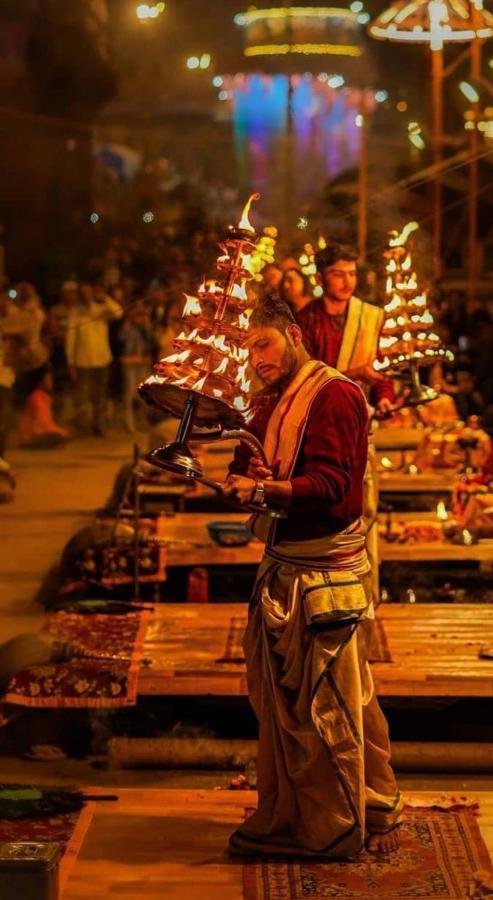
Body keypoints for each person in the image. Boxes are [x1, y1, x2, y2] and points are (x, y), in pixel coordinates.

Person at [223, 299, 403, 859]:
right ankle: (373, 799)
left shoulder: (336, 395)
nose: (256, 360)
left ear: (294, 335)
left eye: (263, 344)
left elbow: (330, 484)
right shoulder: (270, 398)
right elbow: (244, 455)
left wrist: (265, 491)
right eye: (246, 350)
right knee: (316, 702)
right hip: (289, 562)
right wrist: (246, 473)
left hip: (324, 574)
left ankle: (332, 824)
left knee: (326, 708)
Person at [297, 243, 394, 416]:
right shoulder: (305, 320)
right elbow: (306, 380)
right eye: (338, 274)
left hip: (362, 412)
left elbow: (382, 368)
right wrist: (353, 374)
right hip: (321, 414)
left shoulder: (369, 316)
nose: (347, 282)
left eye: (352, 274)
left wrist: (384, 398)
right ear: (319, 278)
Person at [65, 283, 122, 436]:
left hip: (102, 358)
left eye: (88, 293)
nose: (86, 296)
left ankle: (99, 427)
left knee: (100, 396)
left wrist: (105, 297)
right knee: (82, 397)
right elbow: (70, 339)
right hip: (82, 361)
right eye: (83, 293)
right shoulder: (75, 313)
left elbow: (118, 312)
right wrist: (70, 362)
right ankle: (83, 427)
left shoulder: (101, 310)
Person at [18, 368, 69, 449]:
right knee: (59, 437)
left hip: (34, 434)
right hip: (32, 436)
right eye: (48, 380)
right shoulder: (37, 397)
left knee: (61, 435)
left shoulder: (43, 397)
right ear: (40, 383)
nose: (51, 383)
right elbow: (43, 423)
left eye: (51, 380)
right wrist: (61, 432)